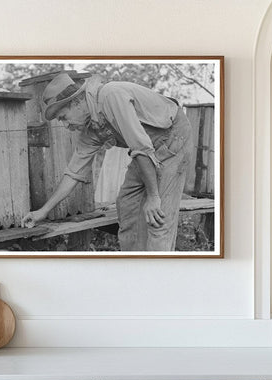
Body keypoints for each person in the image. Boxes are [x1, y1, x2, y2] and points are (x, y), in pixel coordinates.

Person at [21, 72, 193, 251]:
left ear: (77, 102)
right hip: (146, 150)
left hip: (172, 138)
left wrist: (153, 196)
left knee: (158, 218)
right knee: (127, 204)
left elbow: (141, 149)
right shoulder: (91, 129)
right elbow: (73, 173)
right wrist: (43, 211)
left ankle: (157, 275)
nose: (65, 125)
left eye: (63, 117)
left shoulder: (110, 96)